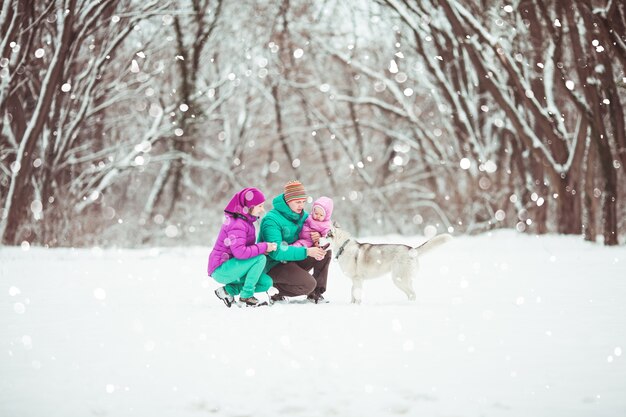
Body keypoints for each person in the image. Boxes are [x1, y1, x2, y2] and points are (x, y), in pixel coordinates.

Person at [258, 181, 331, 304]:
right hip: (273, 265)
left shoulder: (303, 217)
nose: (301, 206)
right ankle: (276, 290)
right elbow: (276, 252)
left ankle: (315, 295)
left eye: (303, 201)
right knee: (308, 284)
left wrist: (317, 238)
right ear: (287, 201)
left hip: (292, 259)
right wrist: (307, 251)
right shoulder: (271, 220)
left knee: (324, 251)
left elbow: (320, 230)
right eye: (298, 202)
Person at [207, 187, 277, 307]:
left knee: (266, 283)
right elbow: (240, 252)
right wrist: (263, 247)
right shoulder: (237, 223)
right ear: (250, 206)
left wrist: (262, 249)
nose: (262, 209)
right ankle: (246, 297)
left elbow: (244, 250)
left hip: (233, 266)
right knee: (260, 258)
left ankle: (227, 291)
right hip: (221, 268)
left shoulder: (246, 222)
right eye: (259, 206)